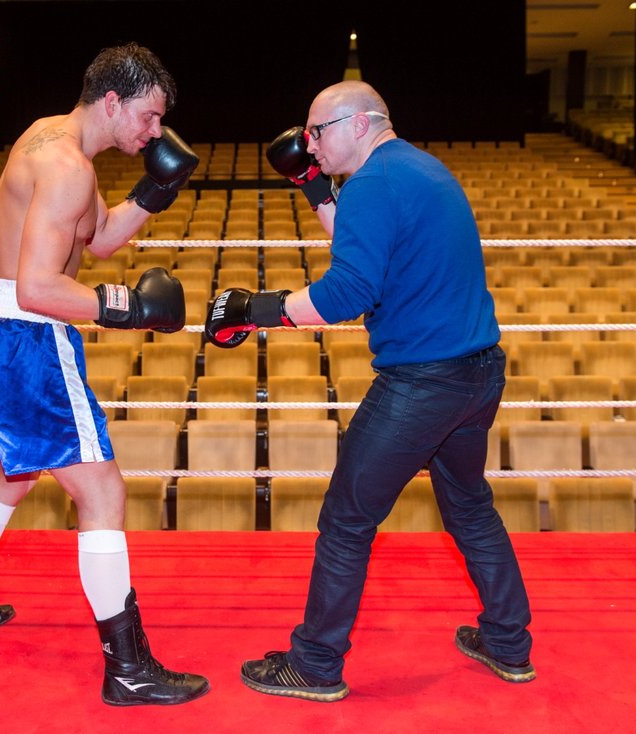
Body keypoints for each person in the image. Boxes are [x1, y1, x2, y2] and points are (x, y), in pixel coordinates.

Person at [205, 80, 534, 702]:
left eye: (316, 132)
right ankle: (509, 644)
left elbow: (349, 293)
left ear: (357, 124)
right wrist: (309, 186)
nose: (308, 143)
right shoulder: (419, 169)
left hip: (423, 382)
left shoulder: (374, 185)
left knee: (347, 520)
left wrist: (257, 307)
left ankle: (316, 664)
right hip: (478, 374)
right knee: (469, 506)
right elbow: (368, 251)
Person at [0, 43, 209, 707]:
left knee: (16, 476)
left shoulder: (51, 141)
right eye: (148, 117)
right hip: (27, 338)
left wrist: (155, 191)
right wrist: (129, 308)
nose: (153, 133)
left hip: (0, 336)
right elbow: (36, 287)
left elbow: (100, 238)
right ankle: (129, 669)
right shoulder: (66, 166)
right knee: (104, 492)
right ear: (113, 101)